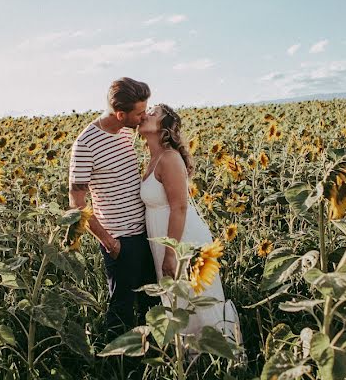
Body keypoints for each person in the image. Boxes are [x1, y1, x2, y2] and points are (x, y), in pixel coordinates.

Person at [137, 103, 241, 344]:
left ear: (163, 128)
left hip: (182, 240)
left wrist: (172, 253)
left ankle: (217, 355)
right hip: (164, 238)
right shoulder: (152, 159)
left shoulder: (169, 158)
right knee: (178, 299)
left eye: (153, 113)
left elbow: (179, 207)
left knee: (196, 296)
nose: (145, 114)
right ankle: (191, 358)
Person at [68, 78, 160, 337]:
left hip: (146, 231)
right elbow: (76, 202)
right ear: (121, 114)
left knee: (151, 303)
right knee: (121, 308)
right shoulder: (86, 144)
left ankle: (151, 357)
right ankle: (116, 367)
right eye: (140, 112)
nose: (144, 116)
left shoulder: (126, 131)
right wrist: (109, 241)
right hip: (120, 239)